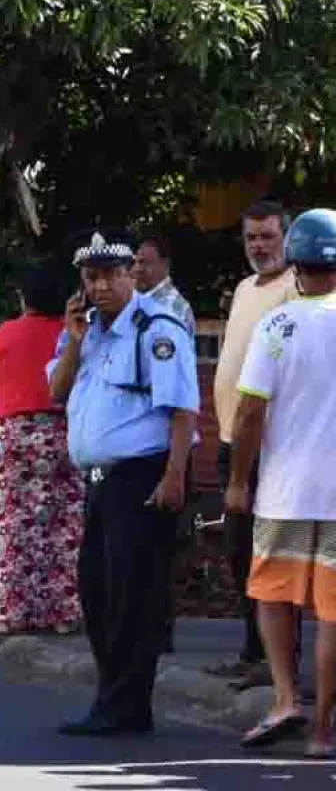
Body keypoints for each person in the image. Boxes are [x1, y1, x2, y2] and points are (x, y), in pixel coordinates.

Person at [49, 229, 197, 738]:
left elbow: (181, 410)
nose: (102, 285)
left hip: (141, 476)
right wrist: (72, 342)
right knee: (97, 591)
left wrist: (175, 477)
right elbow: (55, 390)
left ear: (131, 274)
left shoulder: (157, 329)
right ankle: (116, 697)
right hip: (98, 482)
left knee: (132, 598)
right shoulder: (83, 332)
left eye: (112, 274)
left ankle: (124, 705)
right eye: (92, 277)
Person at [226, 208, 336, 756]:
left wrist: (238, 483)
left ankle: (286, 699)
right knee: (333, 614)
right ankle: (322, 734)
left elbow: (248, 414)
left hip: (284, 494)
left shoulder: (278, 325)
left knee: (273, 597)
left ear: (294, 264)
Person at [211, 198, 299, 688]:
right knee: (239, 552)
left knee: (271, 557)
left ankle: (278, 665)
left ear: (287, 237)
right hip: (231, 439)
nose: (259, 246)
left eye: (268, 236)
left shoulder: (297, 288)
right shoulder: (245, 288)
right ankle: (252, 651)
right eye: (251, 238)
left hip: (273, 446)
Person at [0, 264, 83, 636]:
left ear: (24, 298)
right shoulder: (72, 333)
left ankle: (10, 613)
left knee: (13, 526)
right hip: (64, 431)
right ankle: (63, 613)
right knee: (65, 525)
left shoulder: (6, 333)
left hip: (15, 433)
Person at [134, 236, 197, 334]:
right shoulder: (144, 300)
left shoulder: (172, 306)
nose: (137, 269)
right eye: (136, 262)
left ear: (165, 264)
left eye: (144, 263)